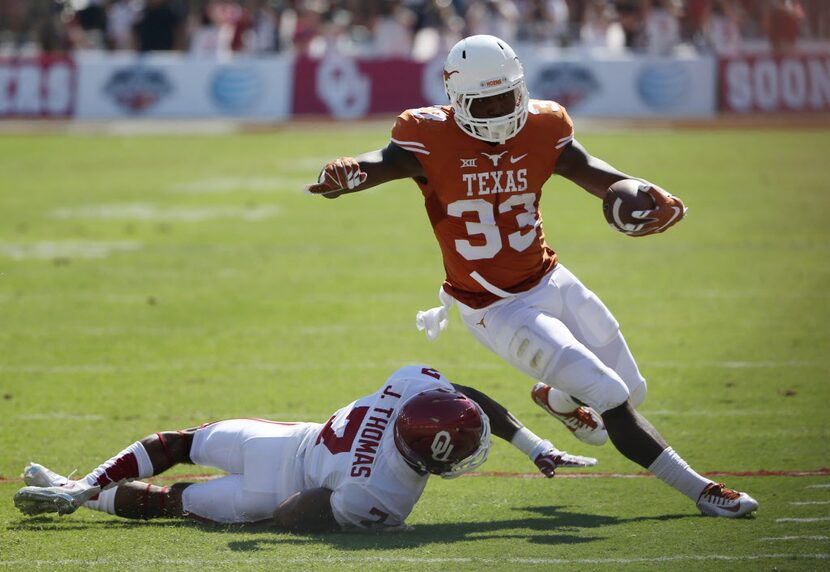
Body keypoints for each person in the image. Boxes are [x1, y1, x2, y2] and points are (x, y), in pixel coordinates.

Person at [304, 34, 758, 518]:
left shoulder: (544, 124)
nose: (502, 110)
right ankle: (702, 490)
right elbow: (382, 162)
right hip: (493, 306)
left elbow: (585, 166)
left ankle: (559, 399)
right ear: (457, 101)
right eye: (488, 101)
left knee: (631, 389)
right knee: (609, 396)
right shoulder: (429, 137)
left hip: (549, 276)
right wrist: (349, 174)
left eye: (509, 95)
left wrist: (643, 190)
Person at [14, 365, 595, 532]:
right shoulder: (385, 494)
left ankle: (83, 484)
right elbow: (303, 513)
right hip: (276, 491)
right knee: (172, 503)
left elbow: (462, 396)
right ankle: (84, 497)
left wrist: (530, 439)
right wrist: (274, 518)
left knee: (178, 442)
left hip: (283, 440)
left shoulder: (410, 387)